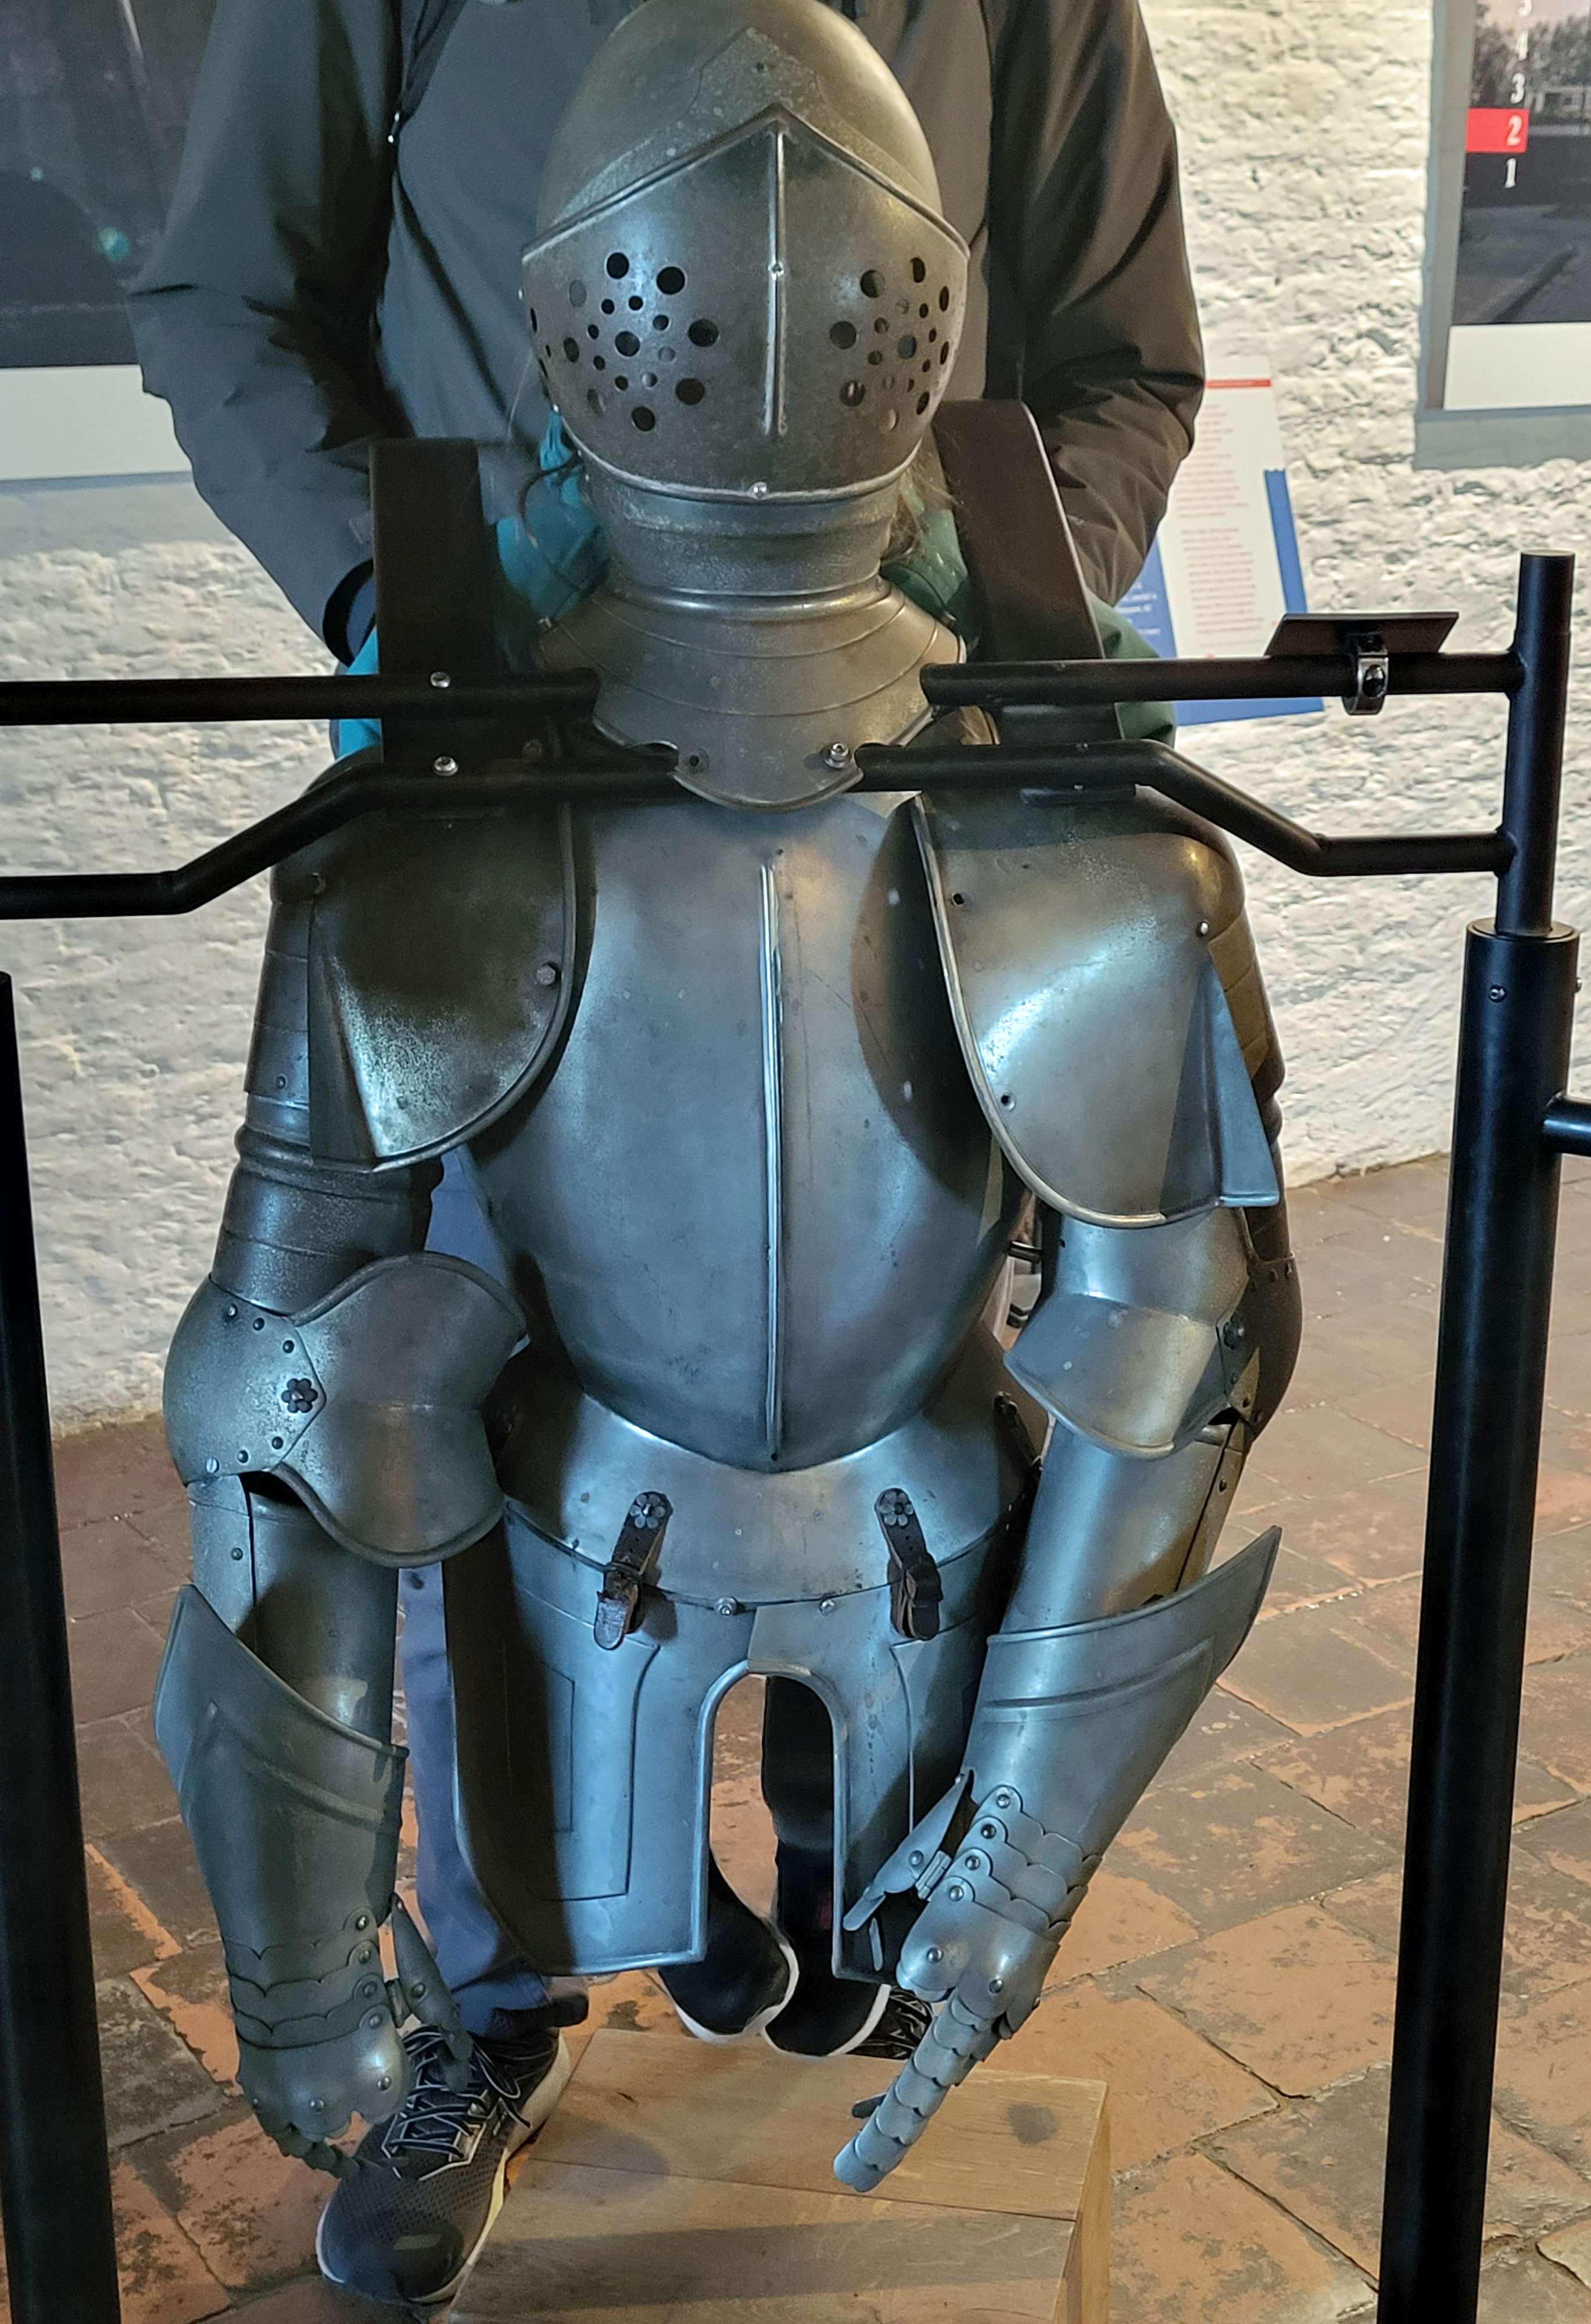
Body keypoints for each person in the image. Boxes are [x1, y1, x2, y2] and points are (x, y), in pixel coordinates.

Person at [130, 0, 1209, 2300]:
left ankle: (884, 1910)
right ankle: (479, 2018)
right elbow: (227, 292)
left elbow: (1124, 347)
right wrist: (406, 603)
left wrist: (999, 614)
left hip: (920, 739)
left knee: (921, 1352)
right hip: (515, 750)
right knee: (405, 1398)